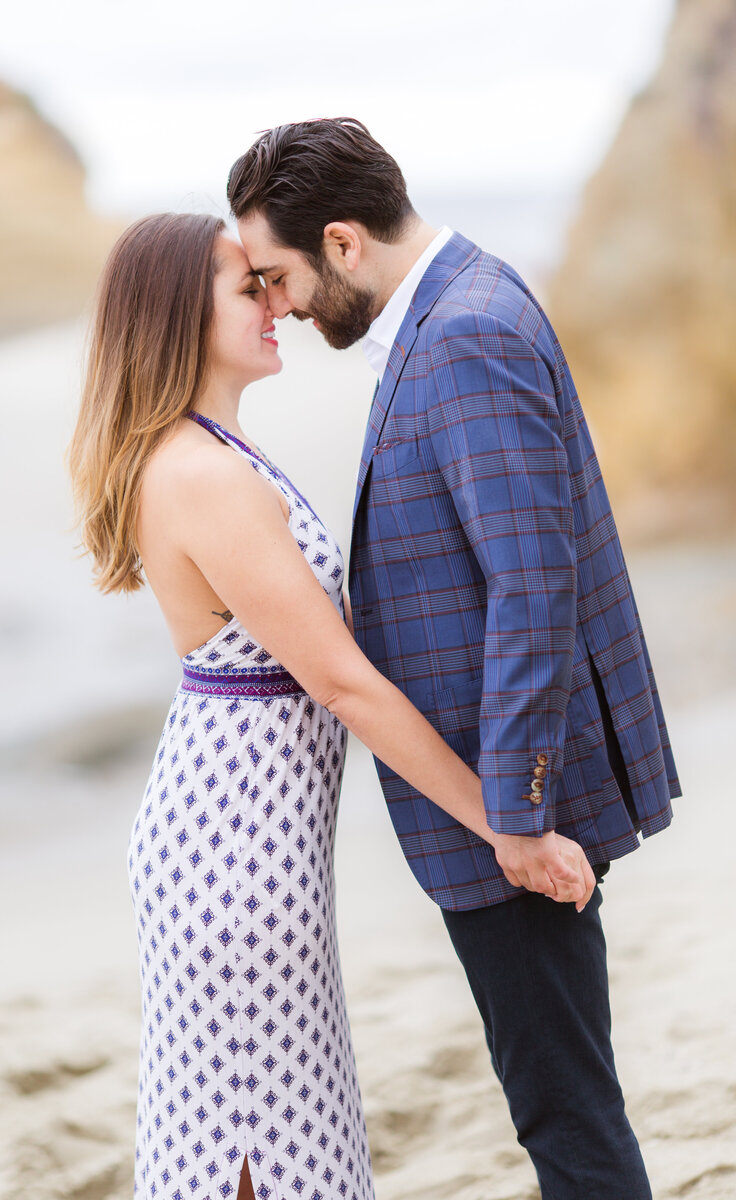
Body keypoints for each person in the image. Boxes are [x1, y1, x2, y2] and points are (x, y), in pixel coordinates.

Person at [68, 213, 594, 1200]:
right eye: (244, 288)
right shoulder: (201, 474)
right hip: (234, 857)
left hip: (244, 844)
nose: (274, 302)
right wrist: (503, 825)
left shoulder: (211, 451)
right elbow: (341, 680)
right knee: (256, 1139)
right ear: (180, 316)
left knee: (271, 1127)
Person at [227, 117, 682, 1200]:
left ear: (341, 241)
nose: (276, 304)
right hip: (500, 793)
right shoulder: (447, 307)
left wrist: (514, 820)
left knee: (562, 1109)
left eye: (277, 275)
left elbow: (533, 587)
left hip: (511, 802)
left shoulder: (462, 334)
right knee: (562, 1094)